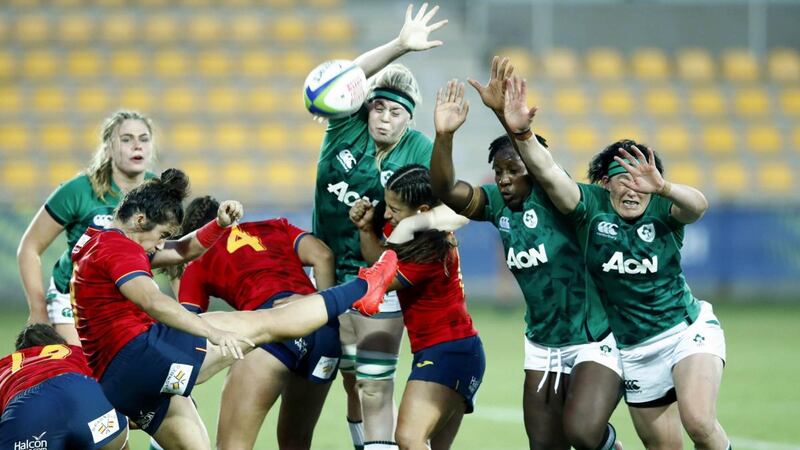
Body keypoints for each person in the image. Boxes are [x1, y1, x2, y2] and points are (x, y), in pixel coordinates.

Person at [70, 168, 398, 450]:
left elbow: (183, 250)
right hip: (143, 353)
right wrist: (211, 331)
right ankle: (365, 286)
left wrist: (218, 225)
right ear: (140, 219)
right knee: (268, 323)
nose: (161, 245)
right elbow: (153, 301)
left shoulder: (98, 244)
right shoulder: (121, 249)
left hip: (119, 382)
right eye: (161, 235)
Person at [502, 74, 730, 450]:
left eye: (642, 179)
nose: (633, 188)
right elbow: (548, 173)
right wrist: (524, 135)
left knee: (699, 421)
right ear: (605, 183)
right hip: (633, 349)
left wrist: (665, 187)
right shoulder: (589, 208)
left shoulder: (662, 208)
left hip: (685, 330)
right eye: (623, 178)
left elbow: (699, 206)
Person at [429, 69, 624, 450]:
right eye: (499, 171)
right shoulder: (498, 204)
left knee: (583, 434)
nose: (502, 179)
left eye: (512, 171)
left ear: (531, 172)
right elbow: (446, 190)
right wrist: (445, 135)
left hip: (593, 338)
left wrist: (513, 124)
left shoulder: (558, 198)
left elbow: (546, 170)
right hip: (542, 344)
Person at [309, 4, 447, 449]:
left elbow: (438, 212)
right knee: (348, 379)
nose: (385, 118)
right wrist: (399, 46)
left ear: (410, 119)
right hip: (326, 275)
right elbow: (341, 78)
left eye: (396, 113)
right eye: (379, 108)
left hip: (382, 277)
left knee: (373, 382)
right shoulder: (345, 127)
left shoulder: (420, 149)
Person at [174, 196, 340, 450]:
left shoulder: (200, 256)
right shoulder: (275, 226)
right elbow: (324, 256)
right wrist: (323, 316)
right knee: (296, 443)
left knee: (232, 446)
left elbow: (185, 325)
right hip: (324, 336)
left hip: (273, 328)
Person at [349, 164, 484, 450]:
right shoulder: (412, 231)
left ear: (422, 211)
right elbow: (381, 260)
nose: (387, 215)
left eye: (394, 209)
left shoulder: (430, 249)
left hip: (448, 352)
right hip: (455, 350)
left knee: (409, 439)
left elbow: (380, 280)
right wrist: (365, 230)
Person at [18, 110, 157, 345]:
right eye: (126, 139)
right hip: (72, 298)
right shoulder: (79, 190)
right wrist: (38, 310)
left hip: (126, 297)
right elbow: (29, 248)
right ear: (109, 147)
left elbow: (174, 254)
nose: (137, 146)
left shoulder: (157, 192)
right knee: (85, 375)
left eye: (143, 139)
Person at [0, 323, 129, 450]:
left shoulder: (5, 366)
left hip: (30, 409)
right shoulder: (77, 352)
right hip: (86, 395)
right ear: (60, 343)